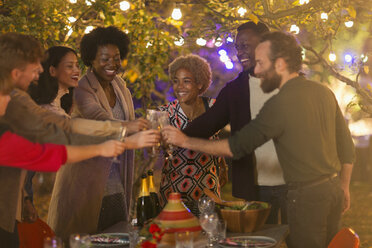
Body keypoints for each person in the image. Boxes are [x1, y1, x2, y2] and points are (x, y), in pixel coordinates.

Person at [163, 31, 355, 248]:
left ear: (280, 64)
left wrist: (184, 141)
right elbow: (346, 146)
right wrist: (343, 186)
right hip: (327, 190)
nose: (256, 69)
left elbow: (236, 147)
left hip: (304, 196)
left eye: (261, 63)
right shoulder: (321, 92)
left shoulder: (281, 103)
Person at [0, 32, 159, 247]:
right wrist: (117, 143)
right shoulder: (17, 104)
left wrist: (123, 131)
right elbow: (50, 149)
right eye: (34, 66)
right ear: (16, 72)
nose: (39, 71)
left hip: (9, 209)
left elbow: (66, 126)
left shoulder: (17, 98)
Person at [59, 25, 146, 234]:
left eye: (116, 58)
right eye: (105, 58)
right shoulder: (81, 88)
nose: (112, 64)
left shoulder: (120, 85)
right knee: (91, 236)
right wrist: (136, 128)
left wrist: (148, 127)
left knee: (116, 233)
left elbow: (129, 122)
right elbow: (100, 121)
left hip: (117, 176)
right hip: (88, 177)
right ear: (91, 59)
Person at [183, 22, 269, 202]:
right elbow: (208, 123)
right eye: (238, 47)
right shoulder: (235, 90)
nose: (240, 52)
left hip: (290, 186)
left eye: (245, 46)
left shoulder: (287, 84)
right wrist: (174, 135)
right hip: (253, 184)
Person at [158, 54, 228, 215]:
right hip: (173, 190)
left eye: (186, 81)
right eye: (176, 81)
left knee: (209, 234)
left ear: (200, 83)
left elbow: (218, 138)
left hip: (208, 187)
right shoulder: (165, 113)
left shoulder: (214, 107)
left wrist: (223, 165)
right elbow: (158, 149)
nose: (179, 86)